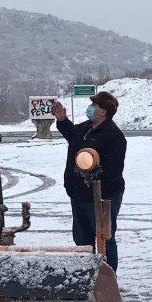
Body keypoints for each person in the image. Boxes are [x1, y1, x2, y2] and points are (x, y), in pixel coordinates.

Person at [53, 91, 126, 272]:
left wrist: (94, 179)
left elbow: (114, 170)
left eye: (95, 105)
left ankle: (108, 277)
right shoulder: (85, 128)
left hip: (101, 196)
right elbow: (72, 134)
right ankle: (86, 275)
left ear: (104, 111)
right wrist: (62, 120)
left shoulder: (113, 135)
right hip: (78, 194)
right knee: (82, 239)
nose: (91, 108)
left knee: (104, 238)